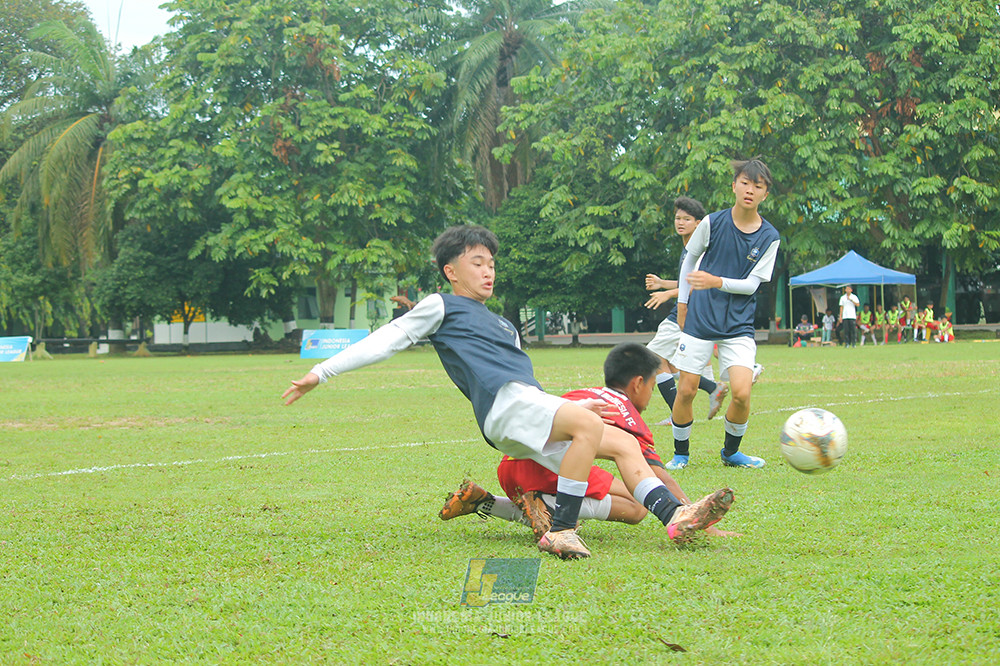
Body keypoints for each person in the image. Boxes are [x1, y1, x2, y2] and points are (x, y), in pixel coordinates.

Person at [282, 225, 733, 560]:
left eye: (492, 264)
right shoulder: (442, 305)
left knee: (620, 442)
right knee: (591, 428)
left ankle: (676, 517)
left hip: (525, 405)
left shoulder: (503, 325)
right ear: (450, 271)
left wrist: (564, 406)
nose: (487, 271)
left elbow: (527, 387)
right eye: (477, 262)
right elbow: (385, 340)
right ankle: (560, 529)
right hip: (502, 410)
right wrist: (321, 373)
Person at [439, 343, 738, 539]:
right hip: (545, 471)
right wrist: (699, 522)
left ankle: (490, 504)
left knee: (615, 487)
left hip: (509, 468)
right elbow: (657, 476)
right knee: (637, 506)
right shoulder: (628, 415)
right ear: (638, 383)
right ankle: (546, 506)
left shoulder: (583, 395)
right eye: (652, 385)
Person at [670, 157, 781, 469]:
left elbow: (751, 285)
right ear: (734, 186)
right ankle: (681, 454)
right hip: (700, 319)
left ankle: (731, 453)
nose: (749, 190)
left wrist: (716, 281)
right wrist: (683, 303)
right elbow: (689, 262)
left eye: (757, 186)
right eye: (744, 183)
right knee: (687, 390)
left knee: (742, 394)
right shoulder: (712, 223)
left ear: (764, 195)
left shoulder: (769, 237)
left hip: (738, 325)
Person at [644, 196, 730, 438]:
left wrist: (667, 294)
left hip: (686, 313)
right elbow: (686, 280)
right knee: (671, 364)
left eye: (687, 219)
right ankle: (711, 389)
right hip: (689, 313)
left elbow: (695, 285)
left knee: (652, 359)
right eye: (677, 218)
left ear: (699, 223)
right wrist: (664, 283)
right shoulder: (688, 248)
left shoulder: (700, 250)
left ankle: (680, 413)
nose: (680, 222)